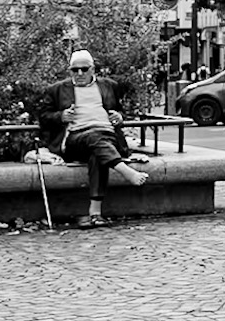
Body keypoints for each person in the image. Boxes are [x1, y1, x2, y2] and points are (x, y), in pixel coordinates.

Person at [36, 49, 147, 227]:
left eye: (84, 69)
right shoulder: (57, 89)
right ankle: (126, 171)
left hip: (107, 135)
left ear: (93, 69)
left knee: (98, 153)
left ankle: (95, 213)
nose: (79, 74)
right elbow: (43, 118)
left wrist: (119, 117)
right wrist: (61, 116)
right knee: (94, 139)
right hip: (74, 138)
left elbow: (120, 111)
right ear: (69, 70)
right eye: (75, 70)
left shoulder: (109, 85)